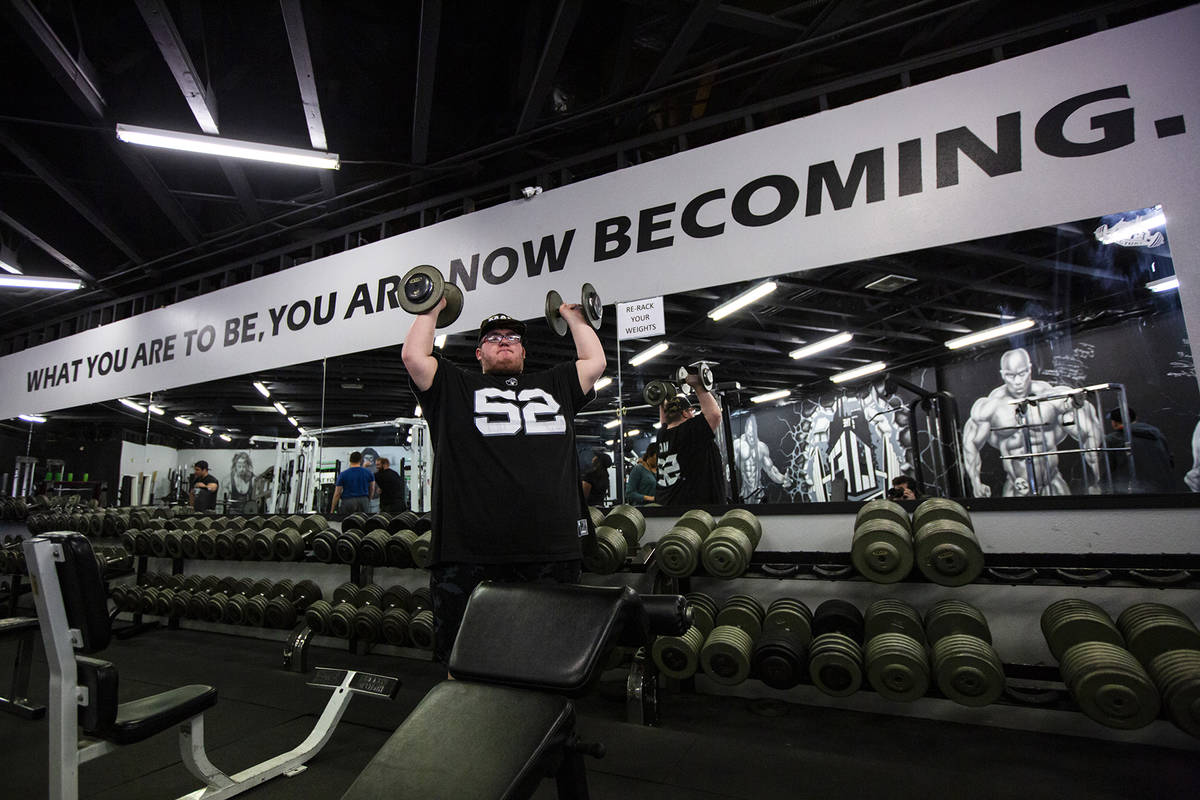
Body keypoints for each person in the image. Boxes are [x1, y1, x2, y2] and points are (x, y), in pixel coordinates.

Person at [402, 295, 605, 665]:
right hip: (469, 551)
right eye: (493, 338)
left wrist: (574, 318)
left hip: (550, 548)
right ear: (478, 354)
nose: (504, 341)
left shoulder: (555, 382)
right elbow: (415, 357)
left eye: (513, 337)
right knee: (464, 659)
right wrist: (431, 307)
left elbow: (595, 362)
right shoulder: (453, 387)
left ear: (524, 353)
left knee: (548, 657)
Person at [961, 347, 1104, 497]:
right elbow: (970, 444)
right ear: (1003, 375)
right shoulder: (990, 407)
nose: (1017, 382)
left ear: (1029, 369)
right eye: (1010, 375)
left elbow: (1090, 431)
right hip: (1016, 486)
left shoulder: (1052, 396)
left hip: (1052, 483)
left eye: (1022, 374)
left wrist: (1098, 478)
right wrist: (975, 482)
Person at [656, 374, 724, 505]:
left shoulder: (662, 435)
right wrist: (698, 386)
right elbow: (715, 415)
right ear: (685, 413)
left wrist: (662, 399)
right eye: (691, 411)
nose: (693, 414)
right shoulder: (690, 430)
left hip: (668, 505)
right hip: (694, 510)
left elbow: (664, 421)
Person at [1105, 407, 1176, 493]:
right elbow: (1170, 461)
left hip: (1131, 493)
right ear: (1135, 418)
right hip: (1164, 490)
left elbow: (1107, 470)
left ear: (1114, 423)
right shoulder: (1157, 435)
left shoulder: (1112, 440)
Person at [734, 414, 792, 502]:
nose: (751, 437)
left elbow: (771, 470)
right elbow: (729, 465)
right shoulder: (738, 445)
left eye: (753, 433)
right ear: (745, 430)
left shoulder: (761, 448)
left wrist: (784, 479)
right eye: (749, 433)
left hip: (759, 493)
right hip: (744, 494)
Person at [330, 451, 375, 515]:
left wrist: (332, 509)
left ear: (350, 460)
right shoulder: (369, 473)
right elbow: (372, 488)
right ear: (361, 460)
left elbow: (337, 493)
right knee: (363, 522)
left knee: (347, 522)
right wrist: (368, 500)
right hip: (363, 500)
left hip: (348, 501)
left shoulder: (343, 474)